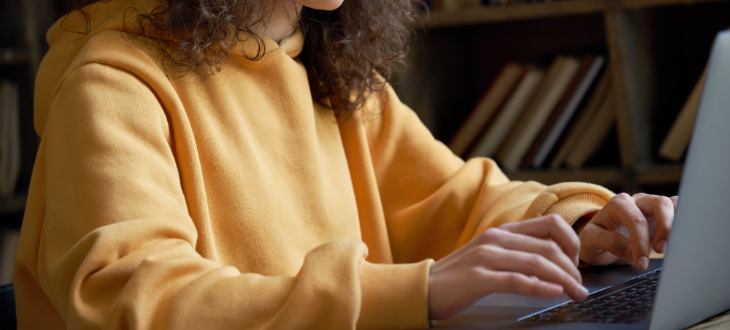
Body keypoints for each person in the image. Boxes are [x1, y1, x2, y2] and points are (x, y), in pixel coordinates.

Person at [14, 0, 678, 328]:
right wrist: (411, 291)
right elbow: (134, 300)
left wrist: (580, 223)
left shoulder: (325, 73)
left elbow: (459, 200)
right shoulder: (112, 85)